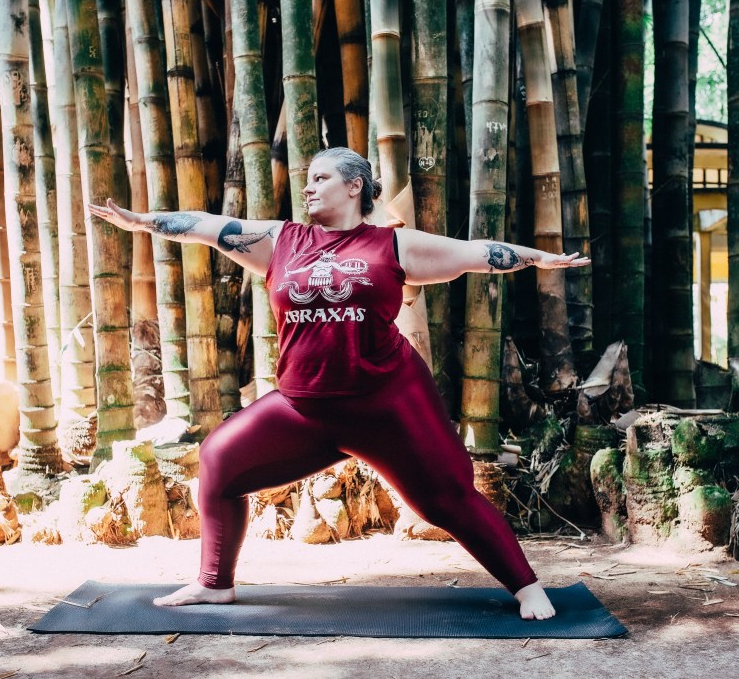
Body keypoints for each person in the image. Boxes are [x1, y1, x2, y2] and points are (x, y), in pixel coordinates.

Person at [87, 147, 590, 620]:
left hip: (387, 402)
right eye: (307, 180)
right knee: (220, 457)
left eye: (320, 178)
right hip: (304, 407)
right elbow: (207, 227)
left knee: (444, 499)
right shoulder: (280, 242)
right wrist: (144, 222)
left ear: (355, 186)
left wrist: (538, 258)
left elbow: (476, 253)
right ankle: (215, 582)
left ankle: (527, 587)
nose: (308, 189)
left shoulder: (394, 243)